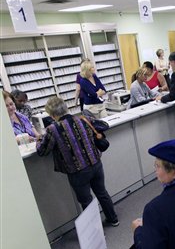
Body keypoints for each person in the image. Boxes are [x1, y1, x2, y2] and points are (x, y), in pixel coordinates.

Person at [36, 97, 118, 226]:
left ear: (52, 115)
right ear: (66, 108)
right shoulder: (82, 119)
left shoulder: (53, 129)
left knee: (86, 201)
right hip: (95, 163)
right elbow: (104, 125)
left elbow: (42, 151)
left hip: (77, 171)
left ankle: (96, 231)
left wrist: (39, 139)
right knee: (102, 193)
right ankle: (113, 219)